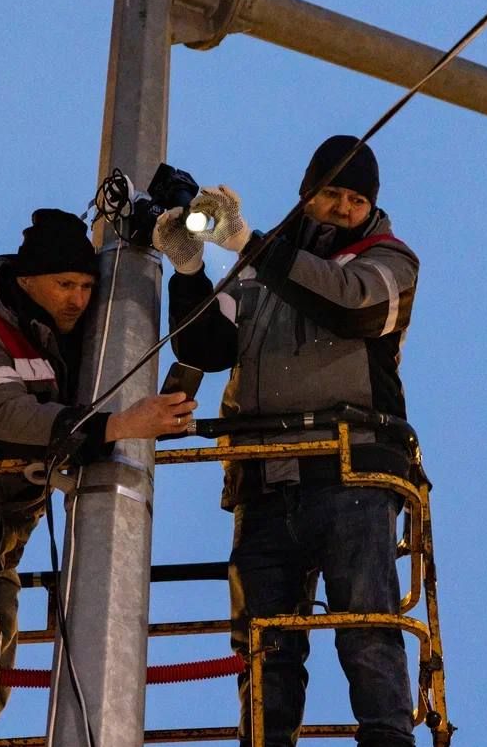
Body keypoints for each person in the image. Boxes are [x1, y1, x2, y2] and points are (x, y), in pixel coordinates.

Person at [0, 208, 196, 747]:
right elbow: (1, 413)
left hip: (1, 524)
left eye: (85, 285)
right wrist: (121, 424)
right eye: (64, 285)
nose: (77, 298)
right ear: (28, 281)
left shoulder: (69, 337)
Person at [154, 136, 420, 747]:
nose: (342, 207)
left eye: (355, 198)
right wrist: (190, 269)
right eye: (332, 193)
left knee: (366, 625)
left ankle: (388, 740)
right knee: (264, 642)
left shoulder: (388, 260)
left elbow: (349, 304)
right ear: (308, 194)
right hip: (264, 479)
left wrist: (246, 240)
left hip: (347, 472)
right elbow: (207, 347)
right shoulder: (261, 267)